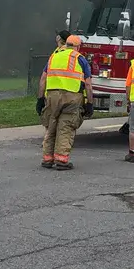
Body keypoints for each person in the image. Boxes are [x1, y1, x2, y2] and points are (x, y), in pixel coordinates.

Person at [36, 35, 93, 170]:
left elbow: (43, 79)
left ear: (66, 44)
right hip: (72, 97)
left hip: (52, 96)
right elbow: (88, 84)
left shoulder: (53, 57)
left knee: (51, 125)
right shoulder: (80, 59)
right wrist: (89, 103)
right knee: (66, 127)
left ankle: (47, 159)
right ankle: (61, 160)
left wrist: (39, 99)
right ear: (78, 47)